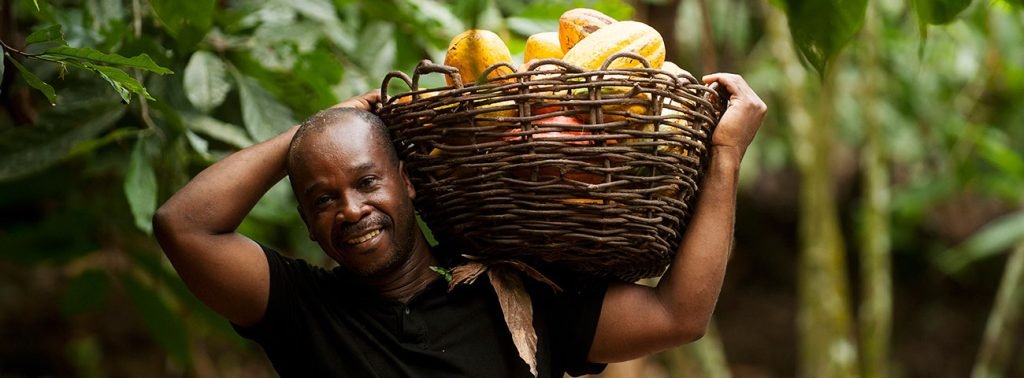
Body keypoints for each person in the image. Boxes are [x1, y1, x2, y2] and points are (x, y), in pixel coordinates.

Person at [153, 73, 766, 377]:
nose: (351, 210)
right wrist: (323, 126)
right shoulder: (303, 312)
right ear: (309, 226)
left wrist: (727, 155)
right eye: (322, 199)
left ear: (408, 181)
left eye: (367, 182)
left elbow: (678, 317)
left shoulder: (516, 298)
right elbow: (182, 225)